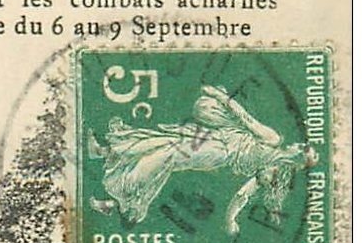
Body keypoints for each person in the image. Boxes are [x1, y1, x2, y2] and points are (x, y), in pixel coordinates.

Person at [89, 83, 317, 234]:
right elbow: (243, 194)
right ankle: (105, 152)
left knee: (169, 153)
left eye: (303, 147)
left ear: (298, 156)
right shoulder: (274, 166)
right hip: (218, 137)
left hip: (219, 151)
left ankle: (121, 202)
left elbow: (246, 119)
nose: (298, 143)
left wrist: (220, 96)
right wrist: (230, 220)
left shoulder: (273, 142)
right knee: (164, 141)